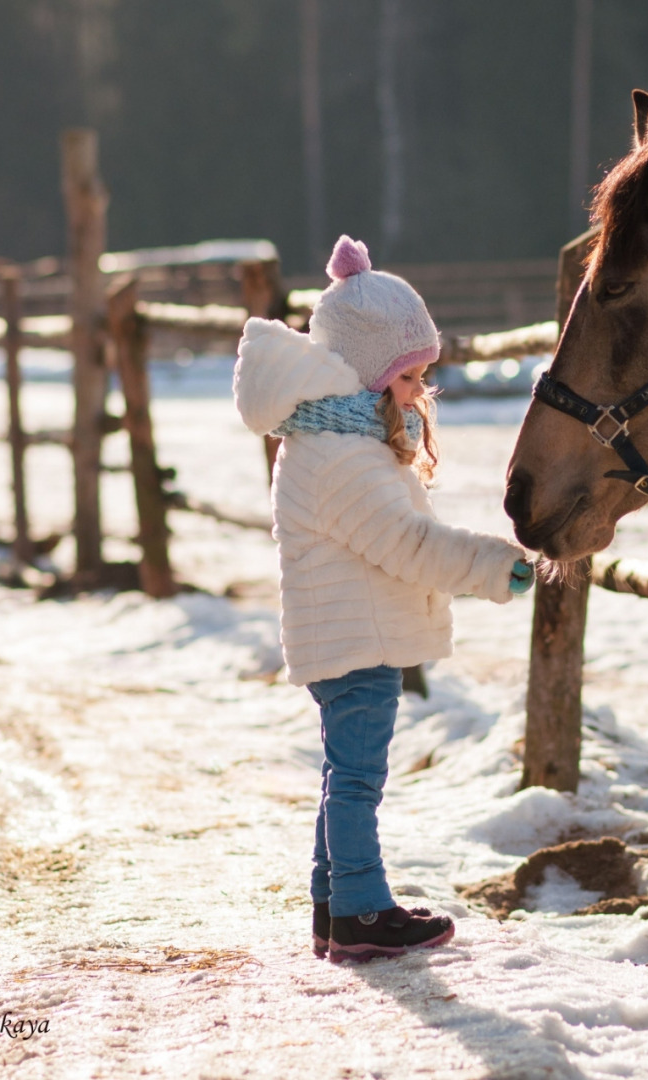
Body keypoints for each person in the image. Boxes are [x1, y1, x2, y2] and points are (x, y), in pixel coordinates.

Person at [233, 235, 534, 962]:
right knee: (358, 778)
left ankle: (334, 907)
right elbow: (408, 544)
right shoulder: (341, 458)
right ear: (369, 375)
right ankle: (364, 912)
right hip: (353, 640)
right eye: (408, 379)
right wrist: (495, 567)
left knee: (346, 773)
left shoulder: (336, 441)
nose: (418, 394)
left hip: (346, 634)